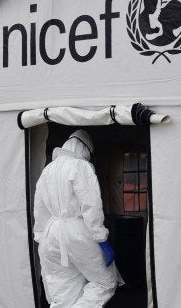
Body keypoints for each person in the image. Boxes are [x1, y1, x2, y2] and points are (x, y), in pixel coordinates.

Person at [34, 129, 121, 307]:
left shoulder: (47, 170)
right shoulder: (81, 166)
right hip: (77, 232)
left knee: (62, 292)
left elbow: (39, 207)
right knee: (105, 282)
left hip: (51, 235)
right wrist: (101, 239)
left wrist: (41, 236)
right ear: (85, 149)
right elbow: (91, 206)